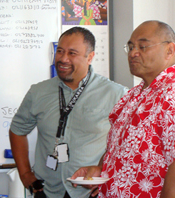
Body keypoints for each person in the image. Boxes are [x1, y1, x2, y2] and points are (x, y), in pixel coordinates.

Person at [9, 26, 128, 198]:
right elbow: (17, 130)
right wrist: (25, 173)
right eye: (60, 51)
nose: (63, 59)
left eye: (72, 53)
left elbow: (128, 143)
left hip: (90, 192)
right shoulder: (38, 92)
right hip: (47, 190)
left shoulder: (116, 94)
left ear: (90, 57)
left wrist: (109, 174)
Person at [71, 20, 175, 198]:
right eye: (131, 46)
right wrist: (101, 170)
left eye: (143, 46)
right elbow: (119, 147)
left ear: (170, 50)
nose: (133, 53)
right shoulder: (133, 95)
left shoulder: (171, 94)